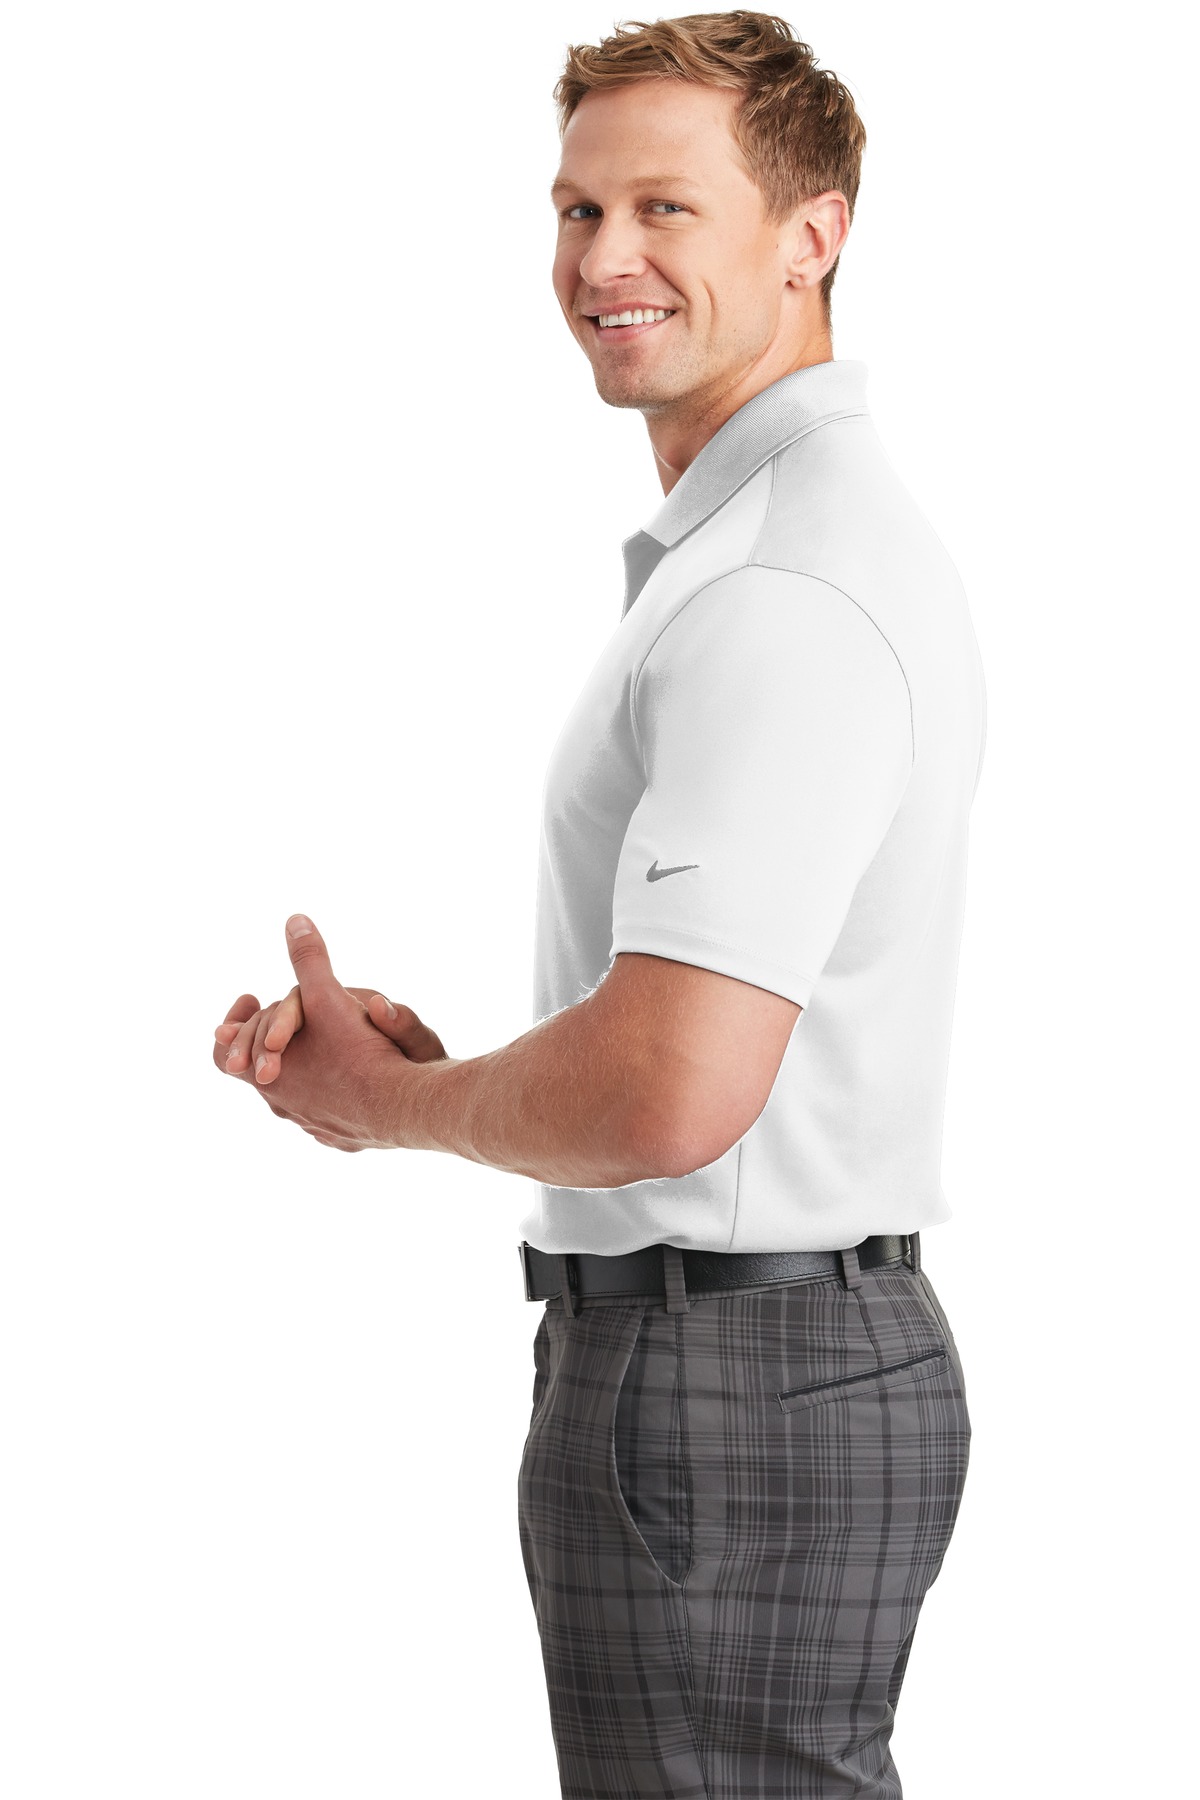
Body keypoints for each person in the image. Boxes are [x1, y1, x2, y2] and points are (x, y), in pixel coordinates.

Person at [213, 12, 985, 1796]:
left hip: (727, 1384)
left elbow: (664, 1095)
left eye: (665, 207)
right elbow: (685, 1050)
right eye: (576, 209)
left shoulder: (780, 590)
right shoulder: (774, 551)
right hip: (749, 1360)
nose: (602, 259)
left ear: (813, 234)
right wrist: (445, 1077)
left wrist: (387, 1104)